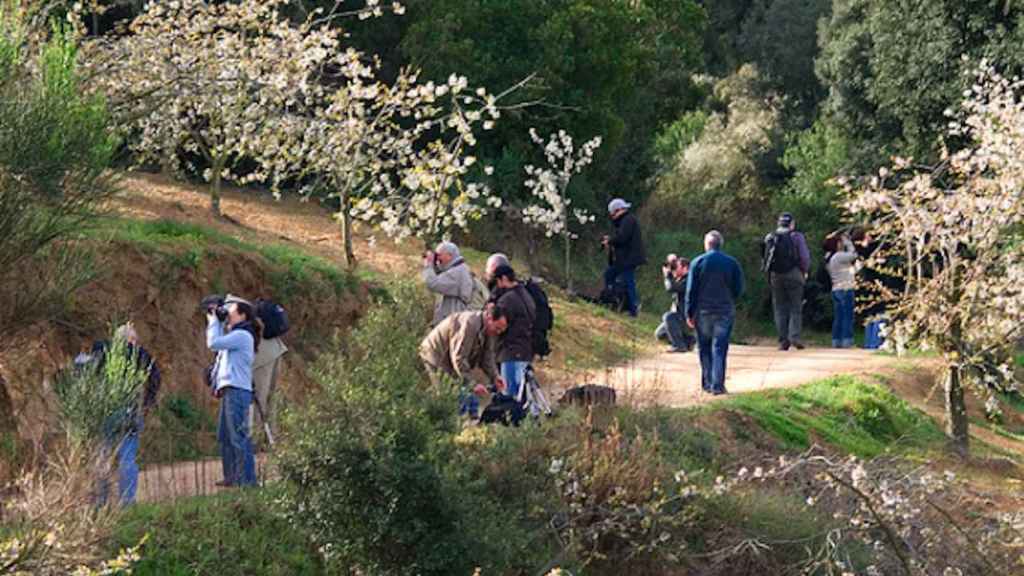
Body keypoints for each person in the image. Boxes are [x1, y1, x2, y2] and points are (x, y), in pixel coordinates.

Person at [91, 322, 161, 506]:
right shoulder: (141, 355)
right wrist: (147, 403)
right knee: (127, 456)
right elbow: (155, 379)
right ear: (132, 340)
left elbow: (89, 378)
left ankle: (100, 500)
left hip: (105, 411)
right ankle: (127, 502)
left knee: (103, 455)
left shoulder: (103, 352)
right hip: (130, 410)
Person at [206, 294, 260, 488]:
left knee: (238, 437)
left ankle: (247, 481)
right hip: (231, 390)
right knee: (226, 436)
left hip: (237, 390)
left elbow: (213, 343)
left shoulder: (242, 335)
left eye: (231, 310)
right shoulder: (236, 335)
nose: (227, 313)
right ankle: (233, 477)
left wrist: (213, 321)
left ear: (243, 315)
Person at [419, 307, 508, 418]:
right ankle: (442, 427)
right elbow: (459, 358)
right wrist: (473, 384)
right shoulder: (469, 324)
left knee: (462, 393)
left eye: (501, 331)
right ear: (489, 317)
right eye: (497, 328)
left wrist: (495, 377)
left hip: (451, 361)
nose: (498, 332)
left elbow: (487, 357)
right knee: (446, 395)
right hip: (436, 356)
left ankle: (464, 425)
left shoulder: (489, 330)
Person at [685, 230, 744, 395]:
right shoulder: (732, 263)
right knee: (720, 347)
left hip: (703, 311)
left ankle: (707, 383)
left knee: (704, 347)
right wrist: (730, 299)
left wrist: (689, 313)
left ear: (706, 244)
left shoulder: (697, 262)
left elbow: (691, 291)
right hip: (724, 310)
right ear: (721, 245)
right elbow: (739, 288)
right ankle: (718, 385)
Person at [489, 265, 536, 413]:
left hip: (510, 352)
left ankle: (511, 430)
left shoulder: (507, 300)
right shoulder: (527, 295)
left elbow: (496, 324)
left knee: (509, 398)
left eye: (497, 282)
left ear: (503, 279)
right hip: (526, 350)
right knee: (525, 396)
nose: (497, 287)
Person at [762, 212, 811, 350]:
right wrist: (805, 270)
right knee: (795, 307)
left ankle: (783, 340)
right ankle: (794, 337)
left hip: (775, 275)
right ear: (792, 224)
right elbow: (804, 257)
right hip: (794, 273)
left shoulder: (771, 237)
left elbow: (765, 257)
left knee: (779, 307)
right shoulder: (796, 237)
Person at [601, 198, 646, 317]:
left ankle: (633, 308)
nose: (612, 216)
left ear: (618, 210)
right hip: (624, 258)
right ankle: (614, 300)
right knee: (610, 275)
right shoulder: (626, 220)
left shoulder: (628, 220)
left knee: (628, 281)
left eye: (613, 213)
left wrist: (610, 240)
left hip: (629, 258)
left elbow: (622, 238)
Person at [249, 325, 287, 446]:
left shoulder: (235, 310)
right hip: (275, 348)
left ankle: (257, 439)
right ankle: (271, 437)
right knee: (272, 397)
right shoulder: (252, 310)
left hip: (261, 355)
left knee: (259, 398)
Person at [422, 241, 474, 326]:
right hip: (455, 319)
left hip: (453, 322)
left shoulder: (456, 272)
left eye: (439, 255)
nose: (437, 258)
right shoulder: (460, 268)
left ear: (449, 256)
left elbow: (433, 283)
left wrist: (428, 265)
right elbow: (440, 273)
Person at [825, 232, 858, 348]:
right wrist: (848, 242)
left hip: (836, 288)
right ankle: (847, 340)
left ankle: (836, 340)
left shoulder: (830, 259)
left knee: (838, 316)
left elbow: (851, 268)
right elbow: (853, 255)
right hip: (845, 288)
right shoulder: (839, 256)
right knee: (847, 316)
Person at [655, 255, 695, 352]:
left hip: (688, 318)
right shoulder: (681, 279)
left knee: (668, 317)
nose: (674, 270)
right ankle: (688, 341)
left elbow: (671, 288)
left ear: (685, 268)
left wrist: (667, 276)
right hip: (681, 315)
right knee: (660, 334)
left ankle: (679, 346)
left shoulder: (690, 280)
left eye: (676, 267)